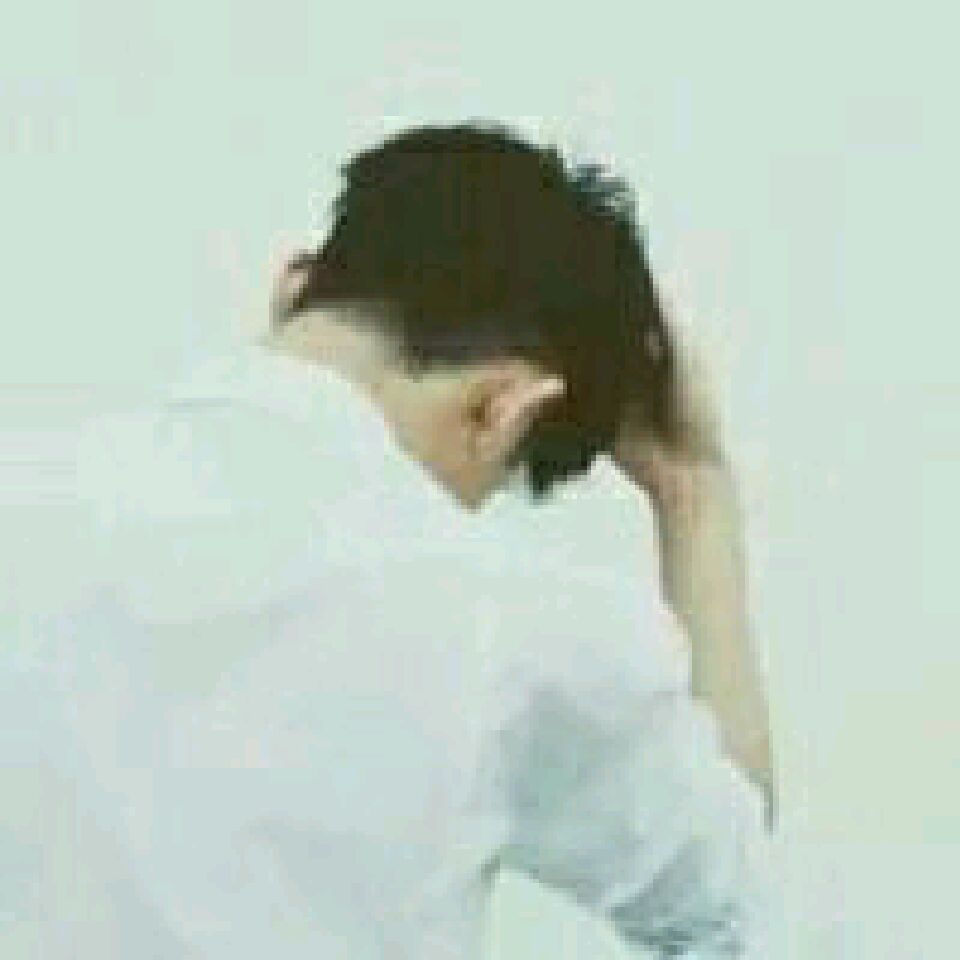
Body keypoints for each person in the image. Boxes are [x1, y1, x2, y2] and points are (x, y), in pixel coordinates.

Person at [7, 121, 778, 958]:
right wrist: (694, 490)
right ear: (503, 410)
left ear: (292, 287)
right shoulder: (508, 616)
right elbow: (728, 908)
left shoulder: (26, 493)